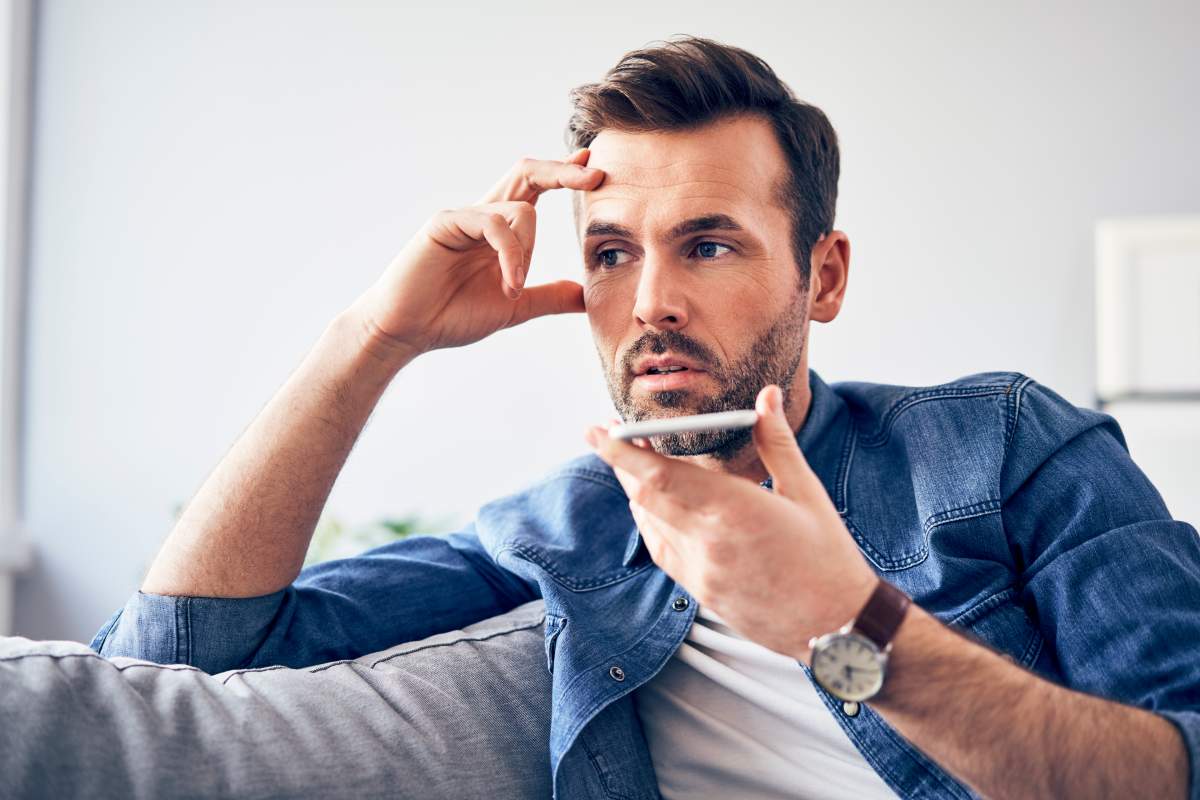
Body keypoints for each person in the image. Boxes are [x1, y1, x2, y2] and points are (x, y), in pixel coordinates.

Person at [75, 34, 1200, 799]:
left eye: (708, 244)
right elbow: (177, 656)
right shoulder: (559, 531)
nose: (648, 298)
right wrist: (374, 339)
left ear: (825, 276)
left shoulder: (1002, 447)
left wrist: (847, 626)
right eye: (611, 253)